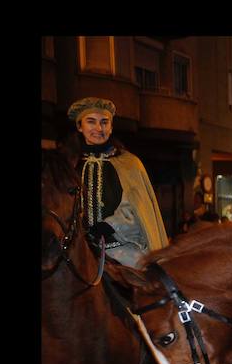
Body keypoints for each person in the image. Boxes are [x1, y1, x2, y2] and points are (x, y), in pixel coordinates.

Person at [62, 97, 168, 267]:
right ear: (80, 126)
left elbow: (137, 208)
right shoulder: (67, 164)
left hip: (121, 247)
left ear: (111, 128)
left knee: (150, 283)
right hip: (74, 248)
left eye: (104, 122)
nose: (99, 128)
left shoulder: (129, 164)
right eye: (91, 122)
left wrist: (110, 226)